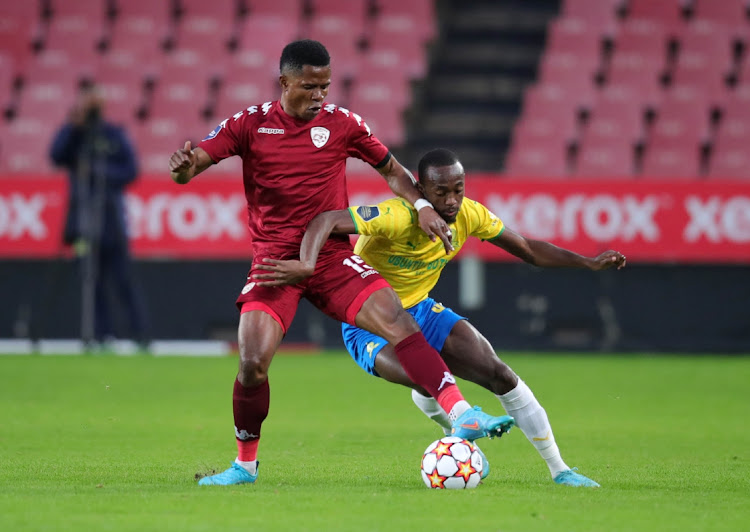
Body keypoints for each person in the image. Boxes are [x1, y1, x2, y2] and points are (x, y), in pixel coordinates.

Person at [168, 40, 514, 486]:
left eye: (325, 86)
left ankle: (462, 414)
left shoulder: (343, 124)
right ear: (284, 83)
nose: (319, 95)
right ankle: (244, 465)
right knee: (252, 364)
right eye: (310, 87)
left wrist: (423, 206)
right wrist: (181, 167)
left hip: (332, 258)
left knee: (398, 321)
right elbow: (192, 164)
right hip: (275, 263)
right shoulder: (250, 125)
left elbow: (392, 171)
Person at [253, 148, 628, 488]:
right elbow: (325, 220)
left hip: (422, 310)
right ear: (419, 190)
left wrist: (588, 262)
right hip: (368, 322)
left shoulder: (470, 215)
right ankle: (456, 424)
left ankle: (560, 470)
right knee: (425, 377)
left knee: (500, 374)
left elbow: (528, 248)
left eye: (458, 190)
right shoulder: (395, 216)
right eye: (441, 192)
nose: (451, 201)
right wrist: (306, 264)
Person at [50, 81, 147, 347]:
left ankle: (140, 335)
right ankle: (101, 335)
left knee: (123, 278)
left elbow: (131, 170)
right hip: (82, 219)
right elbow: (56, 156)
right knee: (91, 280)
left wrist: (100, 173)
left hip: (112, 218)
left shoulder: (114, 134)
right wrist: (74, 125)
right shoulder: (75, 135)